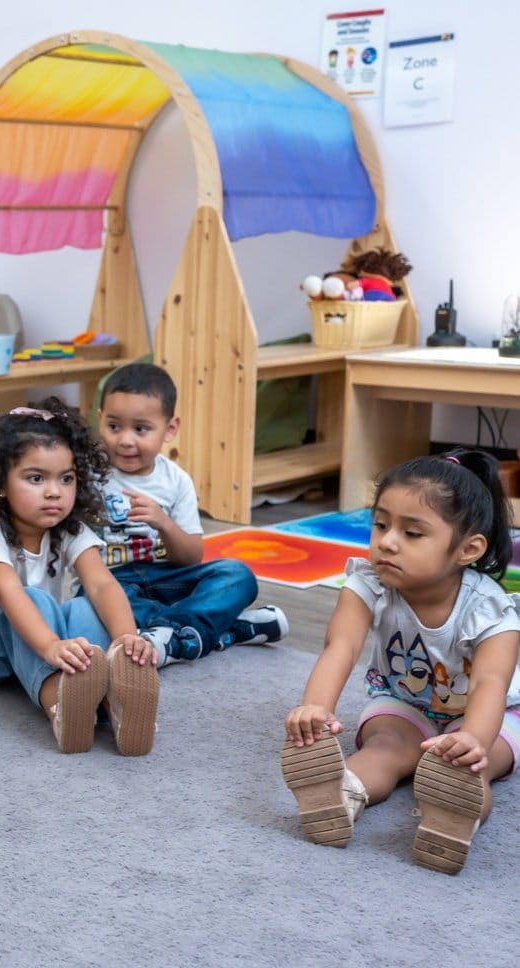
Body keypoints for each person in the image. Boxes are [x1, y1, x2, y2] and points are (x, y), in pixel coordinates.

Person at [281, 451, 520, 873]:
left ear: (468, 548)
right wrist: (317, 707)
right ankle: (341, 793)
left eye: (412, 533)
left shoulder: (491, 609)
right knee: (385, 747)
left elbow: (490, 684)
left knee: (470, 766)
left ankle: (452, 816)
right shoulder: (367, 584)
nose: (388, 541)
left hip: (493, 714)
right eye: (380, 525)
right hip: (405, 701)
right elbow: (340, 646)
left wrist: (474, 740)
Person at [0, 400, 159, 755]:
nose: (54, 491)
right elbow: (10, 595)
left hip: (39, 636)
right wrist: (51, 647)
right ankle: (60, 702)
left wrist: (126, 639)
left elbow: (102, 585)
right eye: (36, 478)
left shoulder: (69, 531)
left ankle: (112, 699)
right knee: (33, 598)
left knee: (87, 606)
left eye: (66, 478)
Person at [95, 363, 287, 665]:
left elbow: (190, 557)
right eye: (114, 426)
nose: (126, 440)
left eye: (141, 429)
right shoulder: (89, 475)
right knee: (87, 604)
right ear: (100, 419)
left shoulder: (176, 480)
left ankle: (169, 634)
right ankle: (226, 629)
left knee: (237, 575)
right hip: (109, 582)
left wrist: (163, 523)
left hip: (168, 578)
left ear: (170, 429)